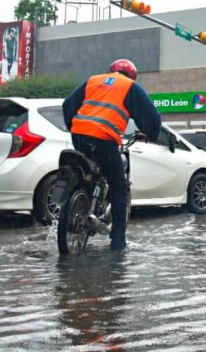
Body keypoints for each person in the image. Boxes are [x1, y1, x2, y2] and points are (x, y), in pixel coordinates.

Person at [63, 59, 161, 251]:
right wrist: (151, 133)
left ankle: (84, 207)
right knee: (119, 188)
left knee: (90, 176)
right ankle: (118, 242)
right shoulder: (130, 87)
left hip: (79, 136)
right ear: (132, 75)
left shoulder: (93, 80)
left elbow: (68, 104)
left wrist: (74, 128)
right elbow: (152, 117)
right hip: (104, 140)